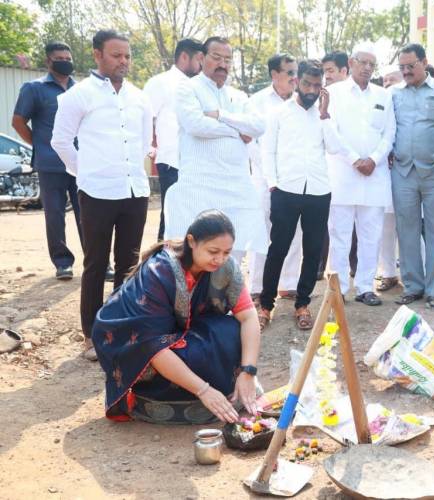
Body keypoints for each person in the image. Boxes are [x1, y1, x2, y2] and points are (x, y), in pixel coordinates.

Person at [92, 210, 261, 424]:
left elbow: (249, 318)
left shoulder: (226, 268)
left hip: (180, 332)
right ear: (191, 241)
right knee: (194, 356)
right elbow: (151, 345)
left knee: (232, 332)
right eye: (213, 251)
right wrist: (204, 390)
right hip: (133, 341)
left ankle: (227, 389)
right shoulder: (158, 272)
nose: (220, 259)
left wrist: (248, 372)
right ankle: (159, 396)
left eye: (227, 252)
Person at [51, 30, 153, 362]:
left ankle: (119, 330)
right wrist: (86, 173)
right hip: (96, 192)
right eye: (116, 55)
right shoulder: (78, 96)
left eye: (127, 55)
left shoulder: (138, 97)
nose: (124, 61)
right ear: (97, 55)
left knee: (128, 265)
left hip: (134, 191)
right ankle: (92, 335)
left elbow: (143, 142)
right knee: (96, 263)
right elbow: (60, 141)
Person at [164, 37, 267, 278]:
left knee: (233, 253)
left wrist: (220, 115)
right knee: (196, 255)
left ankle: (225, 301)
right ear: (202, 58)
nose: (223, 64)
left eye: (228, 59)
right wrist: (238, 131)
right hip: (200, 187)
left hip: (236, 187)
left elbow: (258, 126)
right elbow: (195, 124)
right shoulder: (187, 88)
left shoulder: (239, 96)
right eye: (217, 57)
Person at [259, 60, 343, 330]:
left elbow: (335, 148)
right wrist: (273, 184)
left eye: (317, 86)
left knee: (313, 250)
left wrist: (325, 115)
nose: (312, 90)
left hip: (318, 191)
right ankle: (266, 305)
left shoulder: (323, 115)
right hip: (286, 190)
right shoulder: (279, 113)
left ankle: (302, 304)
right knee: (278, 249)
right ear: (296, 82)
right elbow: (267, 151)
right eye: (307, 84)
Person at [326, 42, 396, 306]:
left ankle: (366, 287)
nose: (367, 68)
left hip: (375, 175)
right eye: (363, 62)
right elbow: (331, 132)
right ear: (351, 63)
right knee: (340, 235)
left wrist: (374, 160)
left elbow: (390, 133)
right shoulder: (334, 93)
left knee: (371, 235)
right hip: (343, 173)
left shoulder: (383, 95)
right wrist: (355, 160)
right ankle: (339, 288)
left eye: (371, 64)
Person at [391, 43, 434, 307]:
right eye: (402, 67)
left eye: (411, 66)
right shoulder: (394, 94)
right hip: (403, 171)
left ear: (425, 62)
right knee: (406, 229)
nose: (406, 71)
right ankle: (413, 286)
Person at [12, 41, 82, 281]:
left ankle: (98, 262)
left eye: (68, 58)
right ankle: (63, 263)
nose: (65, 62)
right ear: (48, 61)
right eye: (59, 58)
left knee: (89, 214)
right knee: (54, 215)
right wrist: (40, 144)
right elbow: (18, 122)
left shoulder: (80, 90)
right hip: (50, 164)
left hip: (80, 162)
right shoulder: (34, 89)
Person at [248, 54, 303, 299]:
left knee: (295, 231)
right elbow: (250, 142)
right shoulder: (257, 102)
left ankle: (288, 283)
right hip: (264, 179)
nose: (295, 78)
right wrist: (272, 173)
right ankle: (258, 287)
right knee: (262, 232)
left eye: (296, 72)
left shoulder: (302, 101)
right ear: (274, 74)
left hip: (295, 179)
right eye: (290, 72)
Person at [143, 38, 204, 241]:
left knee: (196, 219)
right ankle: (162, 258)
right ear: (185, 56)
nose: (202, 65)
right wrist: (148, 147)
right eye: (199, 59)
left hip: (198, 163)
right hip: (172, 162)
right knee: (171, 217)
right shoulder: (161, 83)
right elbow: (144, 118)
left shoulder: (200, 85)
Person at [318, 50, 352, 281]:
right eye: (324, 72)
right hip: (326, 172)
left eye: (330, 71)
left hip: (353, 170)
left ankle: (353, 271)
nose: (326, 76)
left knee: (353, 229)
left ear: (344, 70)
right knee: (326, 225)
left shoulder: (355, 99)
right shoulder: (319, 97)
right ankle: (322, 268)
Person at [376, 65, 404, 293]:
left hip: (408, 174)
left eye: (391, 80)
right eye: (384, 81)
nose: (387, 85)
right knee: (385, 227)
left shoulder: (409, 104)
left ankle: (419, 273)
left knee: (411, 227)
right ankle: (388, 274)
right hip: (383, 173)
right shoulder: (378, 105)